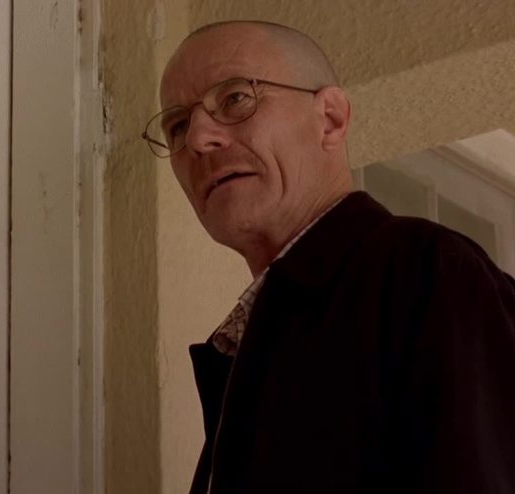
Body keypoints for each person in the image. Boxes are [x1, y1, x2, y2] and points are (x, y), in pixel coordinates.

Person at [142, 20, 515, 493]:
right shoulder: (249, 346)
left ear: (332, 119)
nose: (198, 139)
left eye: (235, 98)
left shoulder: (425, 271)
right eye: (178, 125)